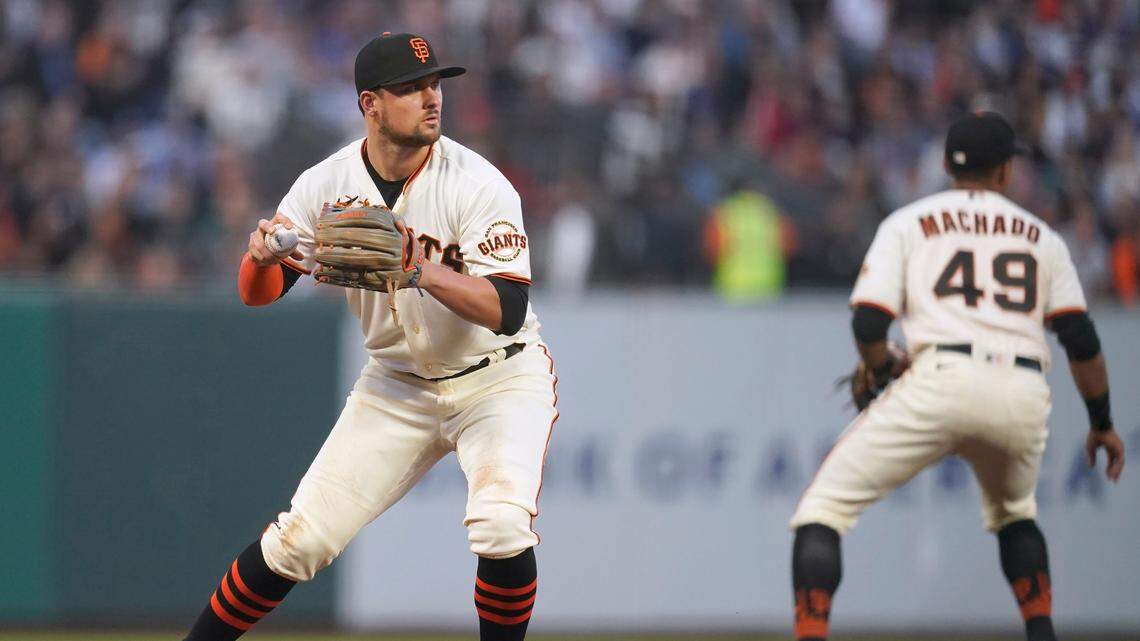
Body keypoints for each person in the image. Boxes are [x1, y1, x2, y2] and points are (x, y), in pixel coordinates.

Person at [182, 32, 558, 641]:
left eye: (435, 83)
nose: (431, 98)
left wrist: (420, 270)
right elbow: (261, 291)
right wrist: (256, 258)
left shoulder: (479, 183)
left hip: (498, 379)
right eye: (410, 88)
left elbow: (508, 309)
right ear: (370, 104)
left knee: (500, 526)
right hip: (397, 386)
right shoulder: (326, 184)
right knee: (298, 541)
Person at [787, 112, 1125, 641]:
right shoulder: (1043, 239)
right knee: (1015, 513)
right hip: (1022, 390)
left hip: (939, 376)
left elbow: (869, 320)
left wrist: (879, 367)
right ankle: (1041, 634)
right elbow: (1081, 341)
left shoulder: (908, 223)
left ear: (945, 165)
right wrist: (1102, 421)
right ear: (1007, 173)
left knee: (822, 509)